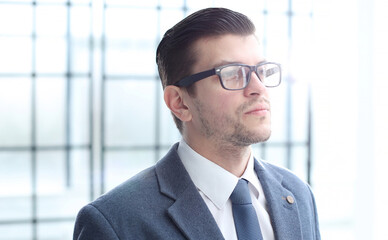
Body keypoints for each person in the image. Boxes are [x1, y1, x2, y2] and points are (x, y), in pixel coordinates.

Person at [73, 7, 320, 240]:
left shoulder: (298, 194)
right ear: (179, 103)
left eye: (261, 71)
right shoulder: (116, 222)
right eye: (233, 73)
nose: (258, 88)